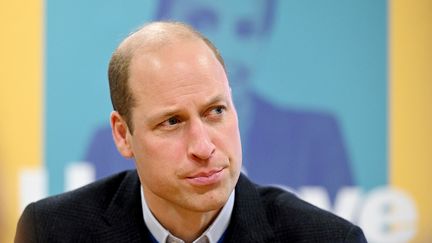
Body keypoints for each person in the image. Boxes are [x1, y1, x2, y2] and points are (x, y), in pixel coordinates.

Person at [16, 22, 366, 242]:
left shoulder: (328, 238)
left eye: (216, 112)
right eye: (172, 122)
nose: (203, 147)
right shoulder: (52, 231)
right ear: (123, 135)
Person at [85, 0, 353, 200]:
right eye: (172, 121)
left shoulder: (315, 137)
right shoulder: (59, 228)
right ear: (123, 135)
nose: (225, 47)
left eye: (246, 30)